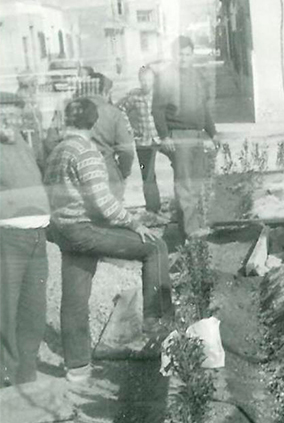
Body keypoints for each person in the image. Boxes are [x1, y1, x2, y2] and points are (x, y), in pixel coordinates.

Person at [44, 98, 172, 383]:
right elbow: (102, 203)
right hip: (83, 229)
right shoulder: (86, 152)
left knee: (75, 297)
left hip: (63, 230)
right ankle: (156, 325)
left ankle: (77, 367)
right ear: (94, 122)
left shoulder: (57, 151)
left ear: (68, 121)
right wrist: (134, 223)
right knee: (155, 247)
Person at [0, 96, 51, 387]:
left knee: (34, 309)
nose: (10, 122)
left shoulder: (22, 143)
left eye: (15, 116)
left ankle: (26, 374)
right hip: (7, 239)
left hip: (36, 237)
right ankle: (5, 378)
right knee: (5, 310)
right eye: (3, 116)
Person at [153, 36, 220, 239]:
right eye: (180, 54)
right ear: (174, 55)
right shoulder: (166, 77)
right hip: (178, 136)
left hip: (197, 135)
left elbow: (203, 108)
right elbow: (157, 109)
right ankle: (191, 231)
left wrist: (212, 132)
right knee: (185, 184)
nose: (183, 58)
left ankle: (194, 225)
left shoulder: (197, 75)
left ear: (192, 55)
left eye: (187, 54)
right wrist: (165, 136)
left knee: (197, 182)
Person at [118, 66, 162, 213]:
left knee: (179, 165)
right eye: (143, 80)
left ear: (154, 80)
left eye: (149, 80)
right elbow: (120, 109)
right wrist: (129, 129)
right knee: (147, 174)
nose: (146, 83)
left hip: (161, 138)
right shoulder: (134, 96)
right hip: (143, 140)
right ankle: (153, 208)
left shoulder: (160, 95)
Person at [86, 72, 136, 201]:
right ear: (104, 92)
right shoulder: (113, 113)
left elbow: (50, 142)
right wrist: (123, 173)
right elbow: (126, 150)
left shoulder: (68, 110)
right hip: (107, 172)